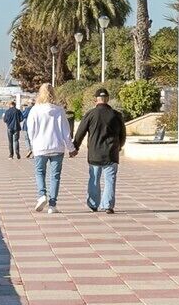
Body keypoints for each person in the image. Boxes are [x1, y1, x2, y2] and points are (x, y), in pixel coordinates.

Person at [70, 85, 128, 213]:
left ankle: (93, 203)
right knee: (110, 180)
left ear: (95, 100)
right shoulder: (116, 115)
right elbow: (122, 134)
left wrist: (75, 147)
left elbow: (80, 132)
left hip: (94, 154)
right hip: (111, 153)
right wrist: (119, 146)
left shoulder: (90, 114)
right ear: (107, 99)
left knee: (94, 178)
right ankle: (107, 205)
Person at [24, 84, 72, 211]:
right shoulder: (59, 110)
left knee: (40, 172)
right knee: (55, 176)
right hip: (57, 147)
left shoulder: (35, 110)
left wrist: (32, 146)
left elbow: (31, 130)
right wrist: (71, 148)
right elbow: (66, 131)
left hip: (40, 147)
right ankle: (52, 205)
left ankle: (41, 195)